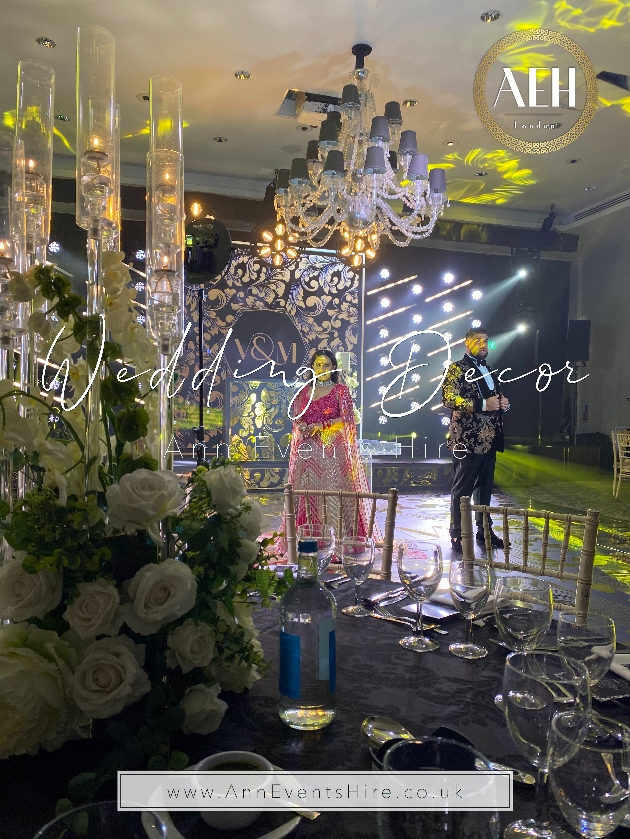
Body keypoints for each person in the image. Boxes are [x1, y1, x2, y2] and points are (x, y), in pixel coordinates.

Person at [284, 349, 377, 544]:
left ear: (334, 367)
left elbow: (346, 421)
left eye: (326, 365)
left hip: (331, 448)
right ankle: (306, 539)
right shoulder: (304, 392)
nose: (321, 368)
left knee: (332, 491)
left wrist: (322, 426)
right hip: (308, 449)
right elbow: (298, 417)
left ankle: (335, 541)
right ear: (312, 367)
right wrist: (301, 425)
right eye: (318, 365)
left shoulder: (340, 390)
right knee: (306, 492)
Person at [442, 326, 510, 553]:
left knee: (485, 488)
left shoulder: (489, 369)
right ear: (467, 343)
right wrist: (483, 404)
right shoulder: (456, 369)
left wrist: (502, 404)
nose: (483, 345)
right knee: (463, 488)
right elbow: (448, 398)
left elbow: (492, 400)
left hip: (489, 438)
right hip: (466, 439)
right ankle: (457, 533)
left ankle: (484, 531)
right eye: (478, 340)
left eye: (486, 341)